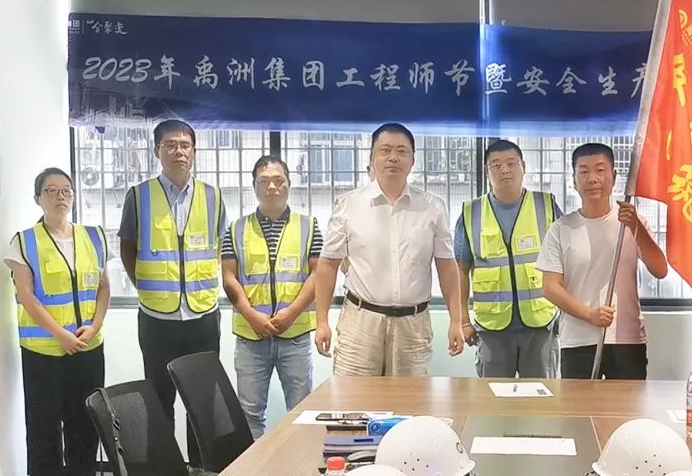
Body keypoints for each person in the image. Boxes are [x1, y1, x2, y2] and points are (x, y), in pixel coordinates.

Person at [118, 119, 226, 470]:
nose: (179, 151)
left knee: (203, 401)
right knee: (159, 400)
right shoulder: (138, 196)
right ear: (157, 151)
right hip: (157, 318)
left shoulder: (213, 196)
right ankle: (165, 470)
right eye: (170, 145)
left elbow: (218, 246)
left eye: (185, 145)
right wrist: (147, 287)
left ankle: (202, 468)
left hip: (202, 315)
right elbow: (128, 248)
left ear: (193, 151)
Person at [315, 123, 464, 376]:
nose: (393, 157)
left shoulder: (433, 207)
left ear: (413, 160)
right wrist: (321, 322)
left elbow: (447, 267)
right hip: (360, 324)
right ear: (372, 157)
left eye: (401, 151)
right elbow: (328, 265)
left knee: (409, 399)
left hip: (413, 327)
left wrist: (456, 321)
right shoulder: (349, 204)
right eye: (385, 150)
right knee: (353, 398)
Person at [6, 168, 112, 476]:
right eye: (51, 191)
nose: (60, 197)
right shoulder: (24, 242)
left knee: (86, 426)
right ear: (37, 198)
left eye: (66, 190)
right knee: (43, 431)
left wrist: (94, 327)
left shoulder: (94, 236)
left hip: (88, 349)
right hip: (43, 354)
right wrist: (61, 335)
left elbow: (103, 287)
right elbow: (26, 296)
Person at [536, 143, 668, 379]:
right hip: (578, 340)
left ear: (614, 176)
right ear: (574, 180)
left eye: (600, 170)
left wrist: (637, 229)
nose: (592, 179)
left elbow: (660, 270)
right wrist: (590, 315)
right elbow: (550, 287)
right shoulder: (562, 228)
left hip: (627, 339)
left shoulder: (631, 222)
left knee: (628, 403)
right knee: (579, 404)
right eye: (584, 171)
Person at [222, 155, 323, 439]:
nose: (272, 187)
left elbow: (318, 274)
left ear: (289, 184)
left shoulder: (308, 226)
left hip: (295, 336)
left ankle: (300, 462)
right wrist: (251, 315)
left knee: (302, 412)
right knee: (250, 414)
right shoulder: (236, 228)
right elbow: (229, 278)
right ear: (254, 186)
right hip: (251, 338)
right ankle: (255, 463)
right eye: (264, 181)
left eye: (279, 180)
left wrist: (292, 312)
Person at [454, 139, 564, 378]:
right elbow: (460, 270)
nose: (504, 170)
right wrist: (463, 320)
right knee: (492, 396)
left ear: (523, 166)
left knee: (540, 395)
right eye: (496, 165)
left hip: (540, 324)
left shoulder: (546, 205)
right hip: (492, 327)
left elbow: (565, 262)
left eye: (511, 163)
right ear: (487, 171)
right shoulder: (471, 212)